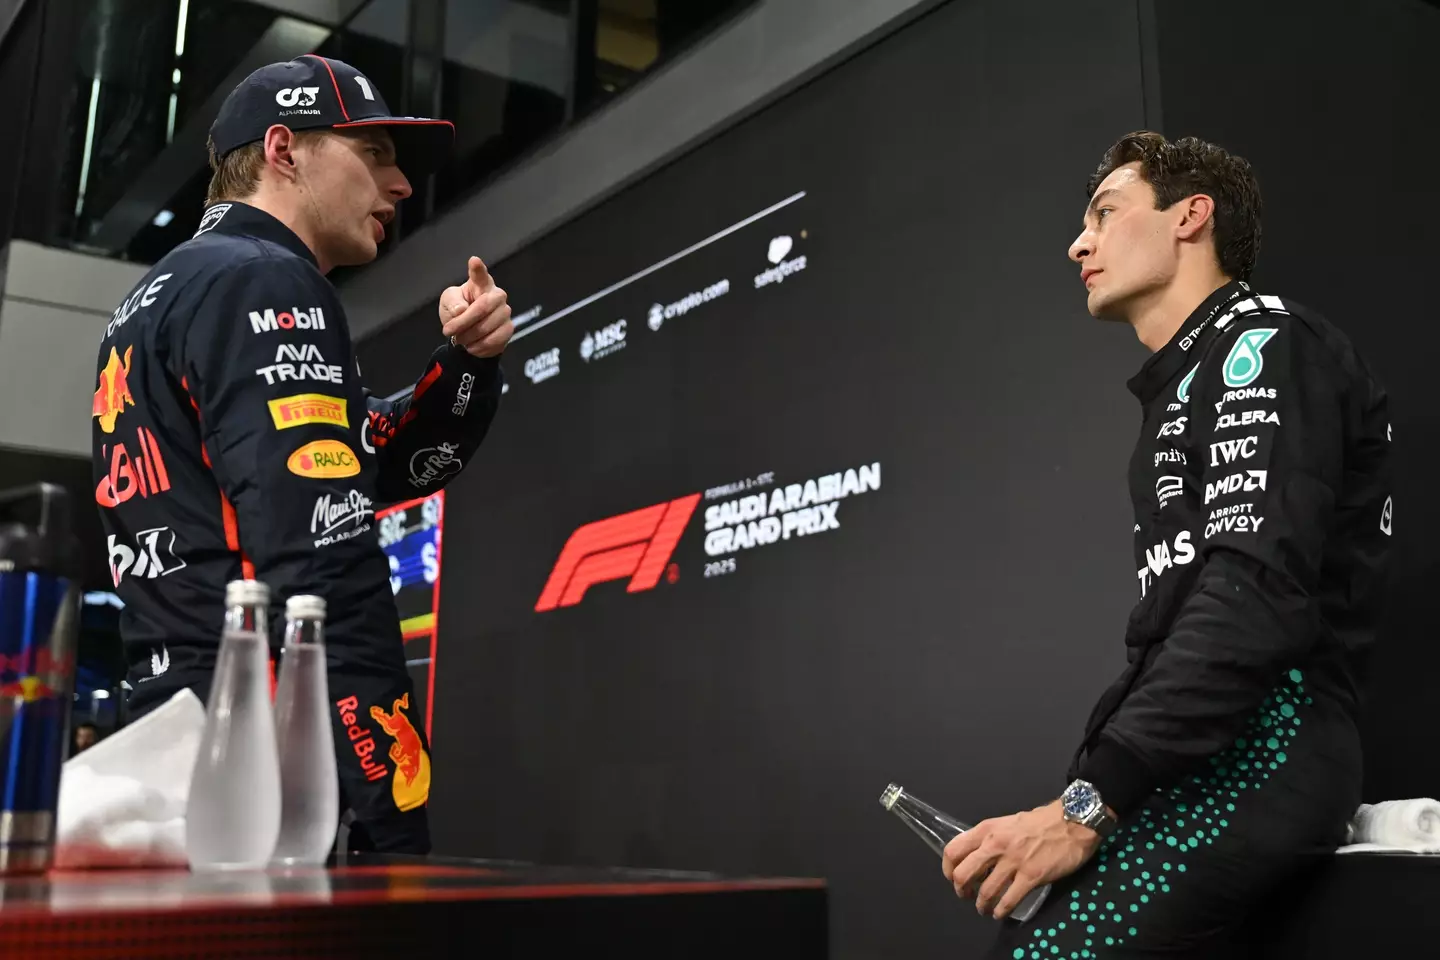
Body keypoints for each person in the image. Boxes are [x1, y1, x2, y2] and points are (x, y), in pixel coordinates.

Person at [943, 132, 1392, 957]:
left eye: (1106, 214)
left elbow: (1251, 601)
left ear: (1192, 215)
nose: (1079, 242)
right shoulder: (1189, 380)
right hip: (1198, 764)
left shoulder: (1263, 342)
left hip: (1265, 749)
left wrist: (1087, 806)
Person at [90, 55, 512, 854]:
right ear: (283, 149)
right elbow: (319, 559)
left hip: (175, 741)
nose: (400, 188)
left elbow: (355, 468)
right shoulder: (265, 281)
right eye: (376, 154)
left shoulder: (164, 290)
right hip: (264, 766)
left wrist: (464, 366)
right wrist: (389, 808)